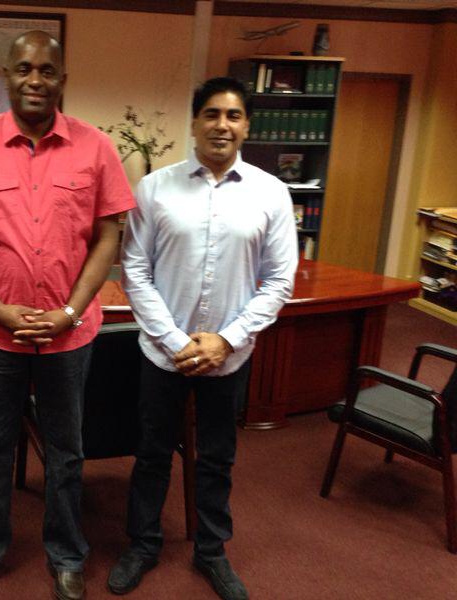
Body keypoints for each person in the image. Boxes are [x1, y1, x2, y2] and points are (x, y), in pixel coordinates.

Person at [0, 30, 135, 600]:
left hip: (70, 336)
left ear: (63, 79)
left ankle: (67, 556)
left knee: (67, 451)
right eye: (24, 69)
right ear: (6, 77)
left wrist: (71, 311)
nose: (35, 80)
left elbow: (107, 235)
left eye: (47, 70)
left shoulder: (96, 148)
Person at [110, 77, 298, 600]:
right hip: (162, 353)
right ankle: (142, 545)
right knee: (150, 453)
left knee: (218, 458)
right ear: (193, 122)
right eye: (212, 114)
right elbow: (135, 271)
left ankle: (211, 552)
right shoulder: (154, 189)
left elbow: (280, 279)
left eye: (234, 116)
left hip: (228, 357)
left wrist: (226, 339)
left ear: (246, 126)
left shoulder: (270, 192)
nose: (222, 125)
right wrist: (174, 341)